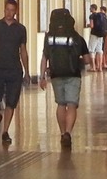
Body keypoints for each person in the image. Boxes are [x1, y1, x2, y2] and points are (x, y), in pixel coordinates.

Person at [37, 8, 89, 148]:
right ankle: (68, 132)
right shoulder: (77, 37)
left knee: (61, 104)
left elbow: (44, 58)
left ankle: (61, 133)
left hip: (56, 74)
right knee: (71, 104)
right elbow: (87, 60)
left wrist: (42, 76)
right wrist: (78, 61)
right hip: (73, 75)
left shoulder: (49, 38)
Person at [0, 0, 28, 144]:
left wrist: (27, 71)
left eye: (12, 10)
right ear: (4, 9)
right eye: (7, 9)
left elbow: (23, 50)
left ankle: (5, 131)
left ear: (16, 12)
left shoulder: (20, 29)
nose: (9, 13)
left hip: (14, 70)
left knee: (11, 101)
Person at [87, 4, 107, 71]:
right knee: (99, 50)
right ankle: (100, 67)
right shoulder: (100, 15)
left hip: (94, 34)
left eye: (90, 8)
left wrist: (88, 25)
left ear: (93, 8)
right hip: (101, 35)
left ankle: (93, 67)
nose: (89, 9)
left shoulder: (92, 16)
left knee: (91, 50)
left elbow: (92, 26)